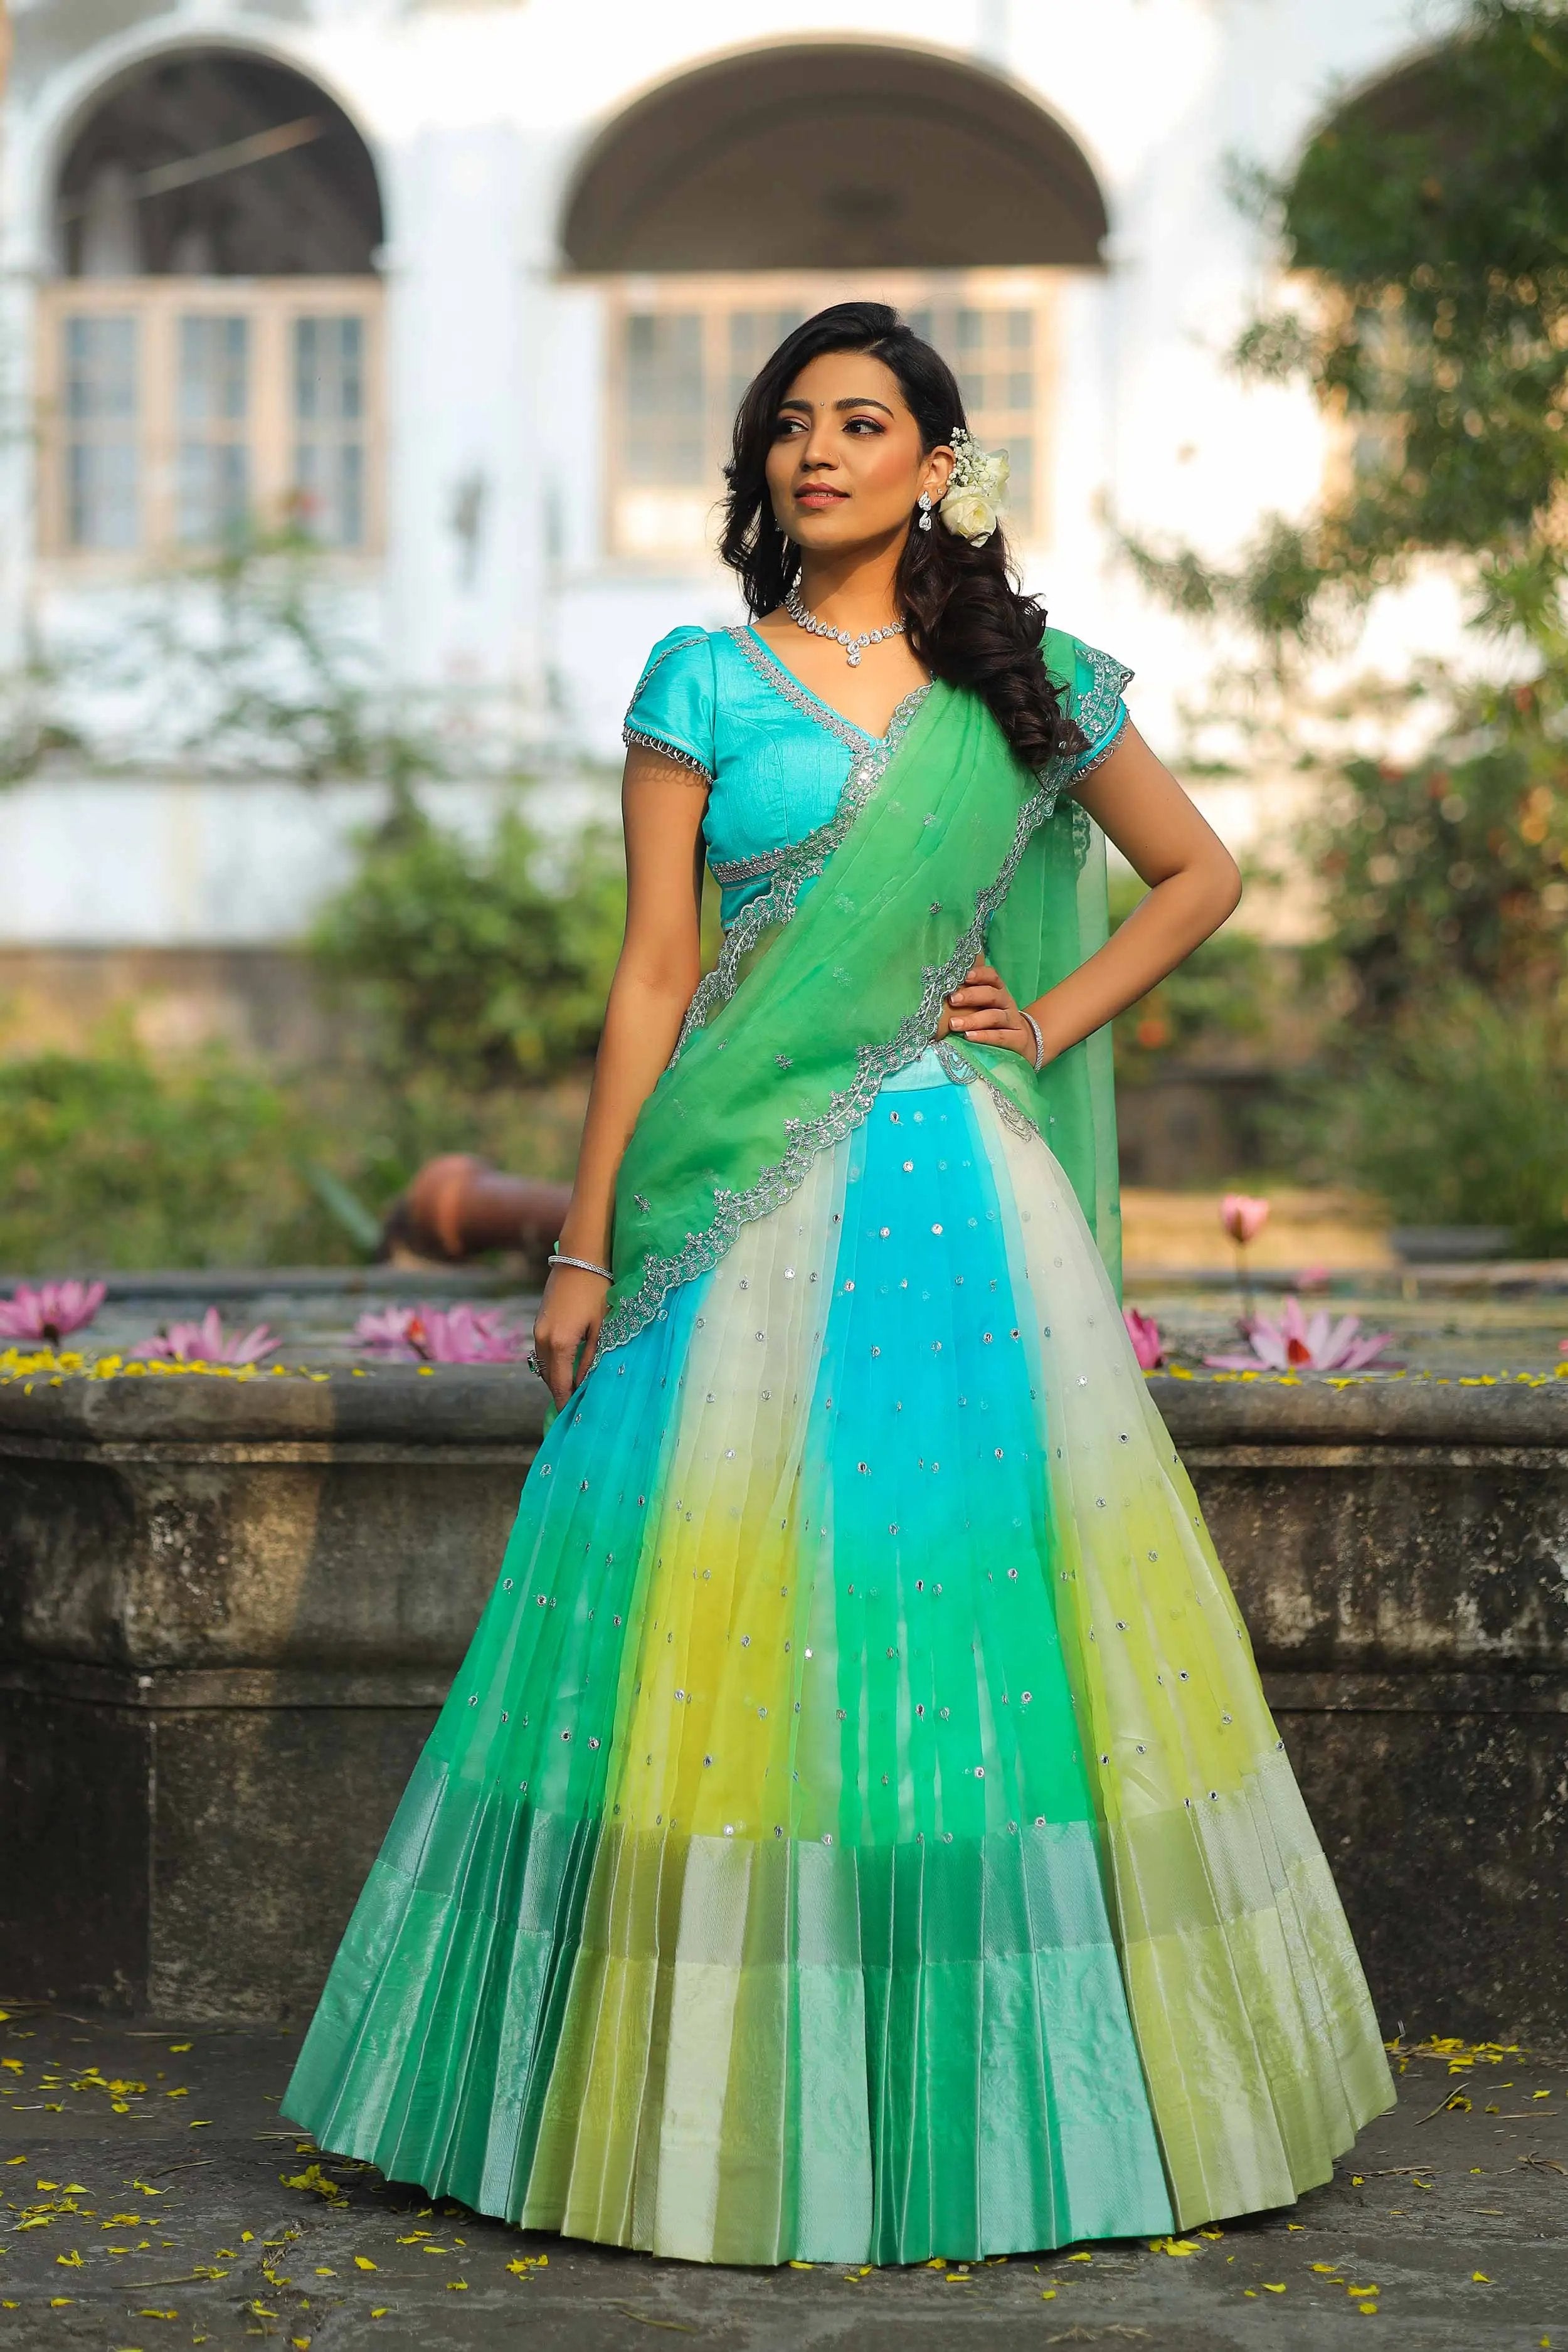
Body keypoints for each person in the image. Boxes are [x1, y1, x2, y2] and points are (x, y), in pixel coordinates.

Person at [285, 303, 1393, 2265]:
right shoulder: (699, 679)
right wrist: (579, 1233)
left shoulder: (1028, 681)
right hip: (730, 1211)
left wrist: (1040, 1019)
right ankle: (661, 2089)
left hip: (961, 1210)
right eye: (790, 422)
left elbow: (1198, 877)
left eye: (862, 421)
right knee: (699, 1637)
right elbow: (647, 978)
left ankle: (1005, 2109)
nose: (818, 451)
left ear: (936, 462)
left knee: (973, 1634)